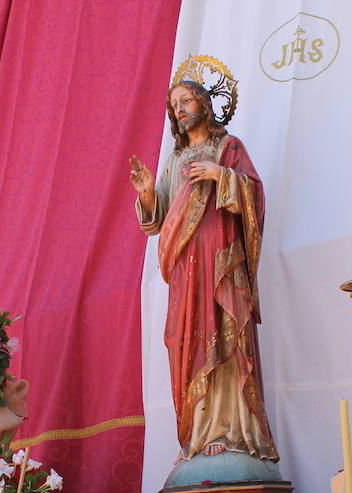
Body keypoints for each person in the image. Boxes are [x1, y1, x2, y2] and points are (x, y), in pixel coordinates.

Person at [129, 76, 280, 465]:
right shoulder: (175, 160)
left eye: (186, 101)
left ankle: (230, 430)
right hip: (184, 267)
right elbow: (157, 220)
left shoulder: (228, 147)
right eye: (174, 104)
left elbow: (255, 195)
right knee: (188, 340)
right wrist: (148, 193)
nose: (179, 110)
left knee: (223, 331)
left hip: (221, 262)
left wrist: (221, 175)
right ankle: (198, 430)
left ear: (205, 105)